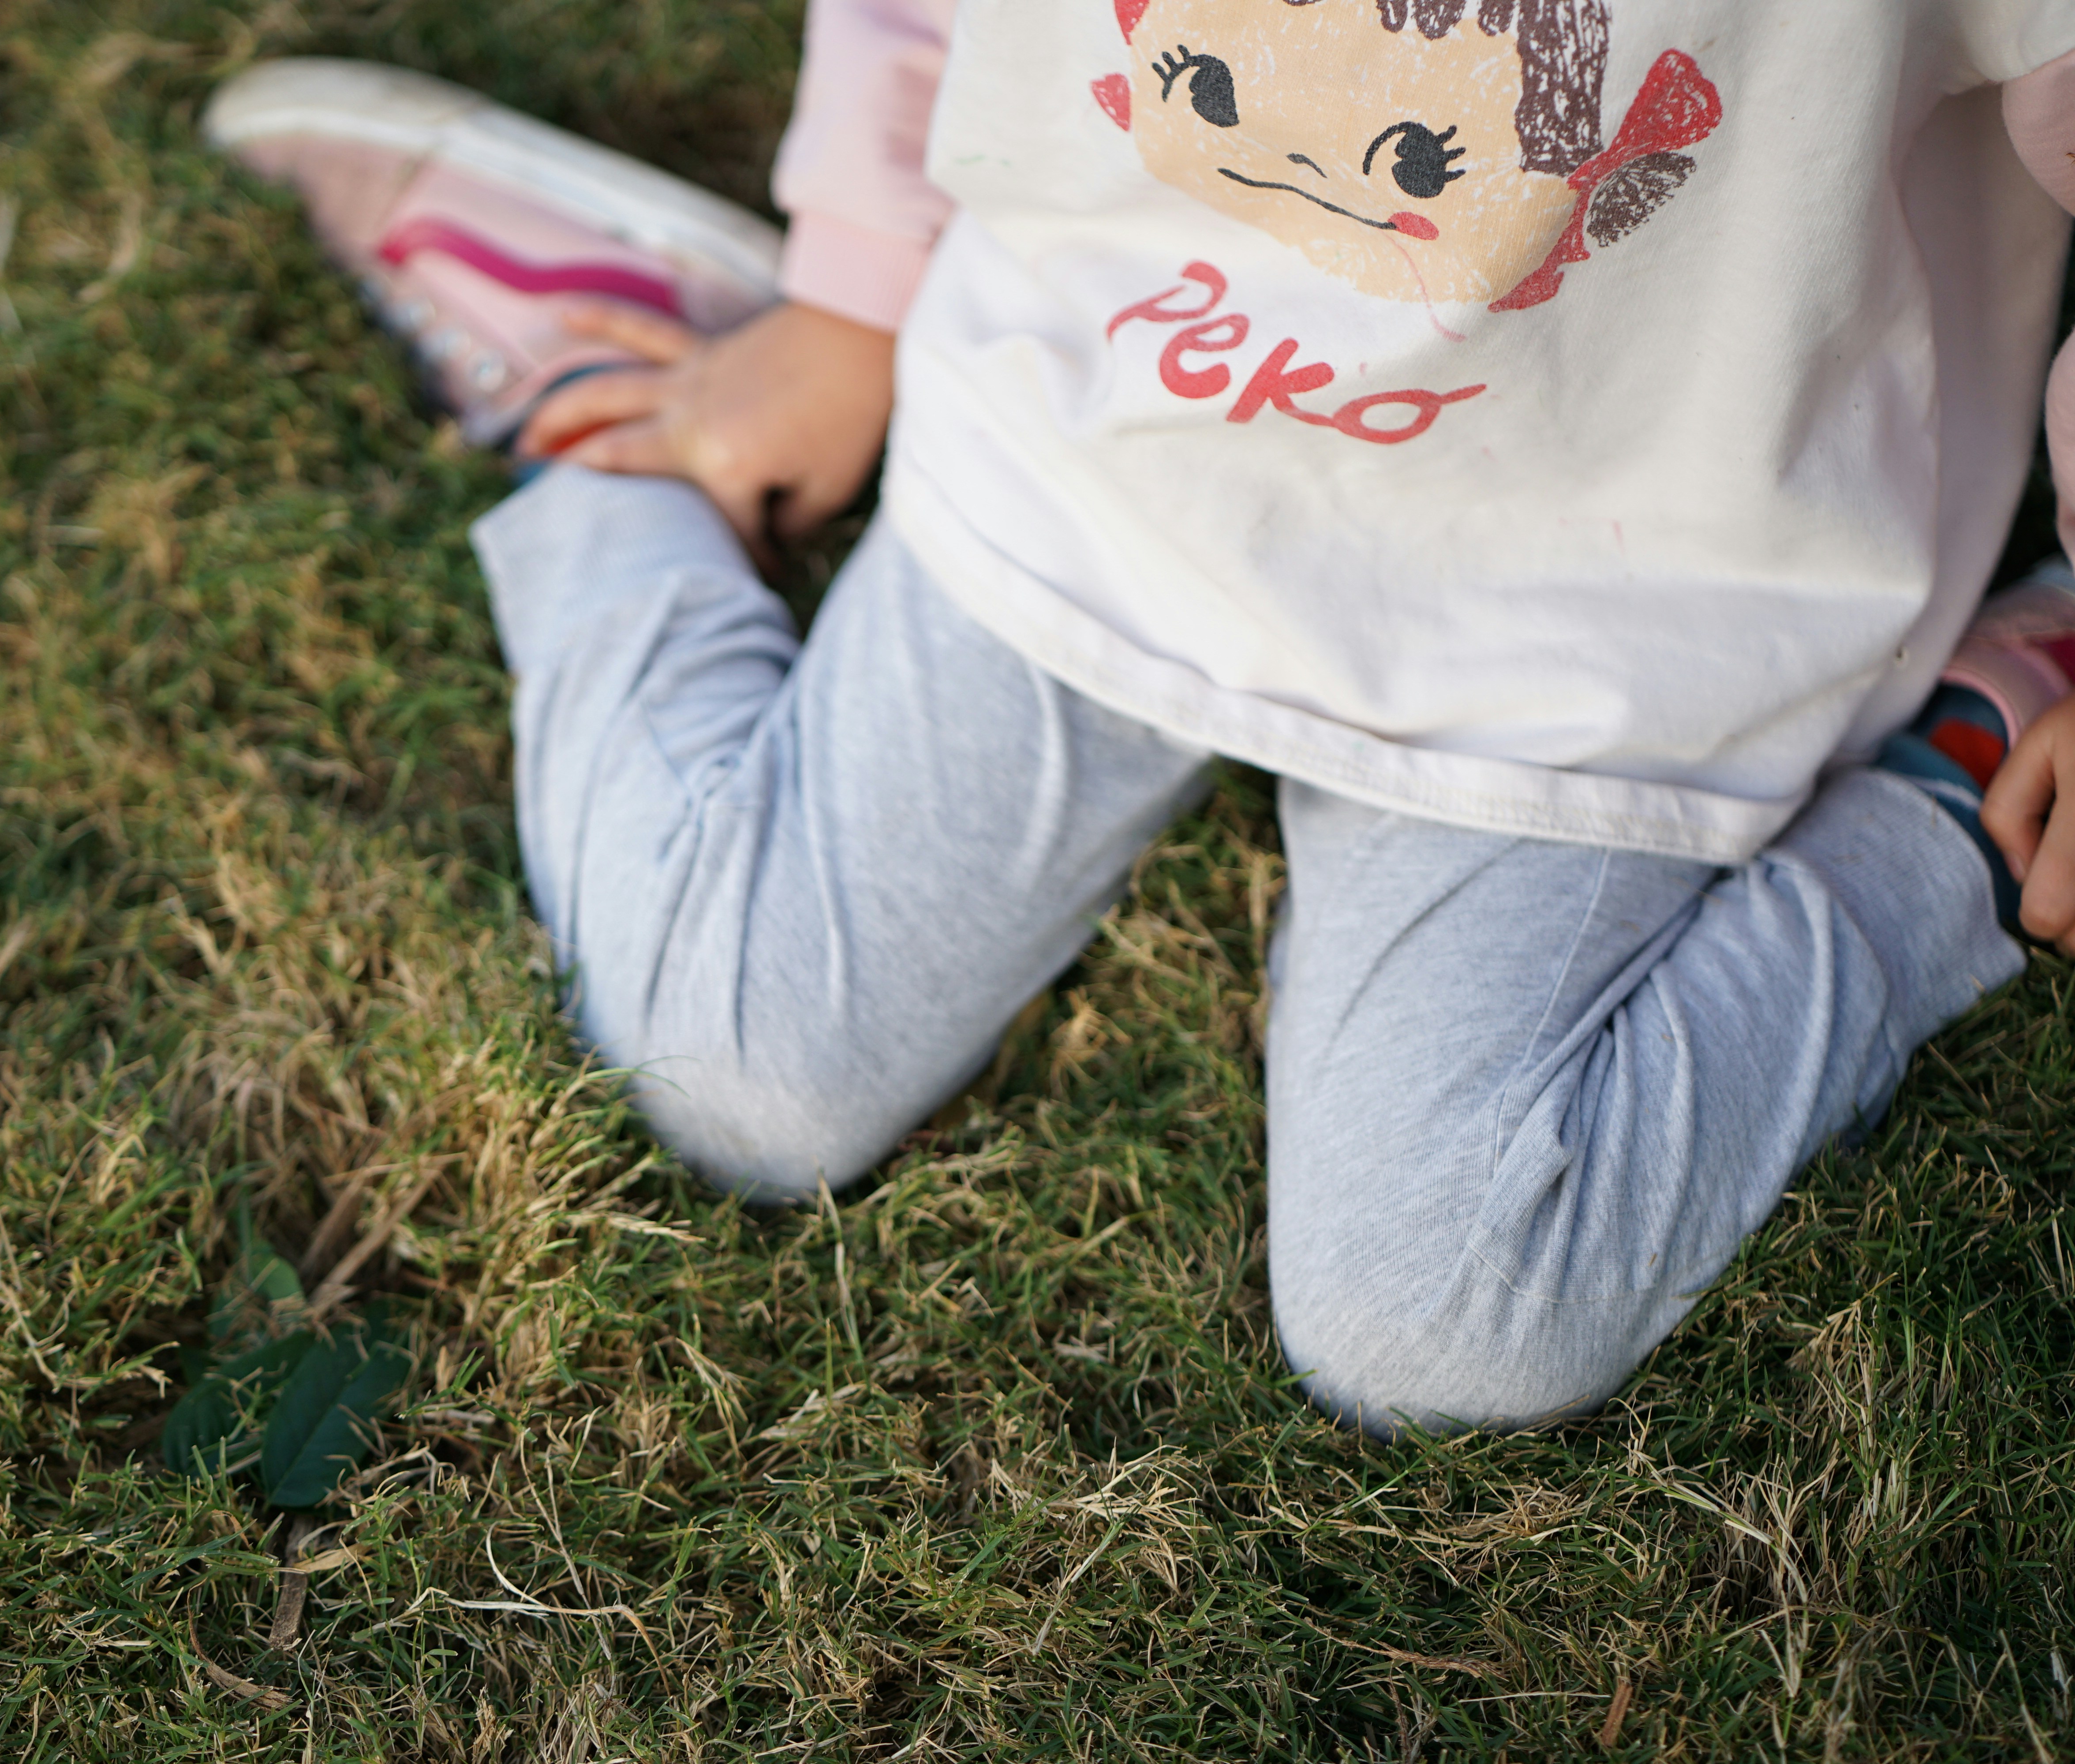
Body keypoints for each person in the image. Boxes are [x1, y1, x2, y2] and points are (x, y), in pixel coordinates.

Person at [203, 0, 2075, 1436]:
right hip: (1105, 421)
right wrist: (854, 299)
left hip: (1632, 565)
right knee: (732, 1063)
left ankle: (1963, 784)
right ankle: (610, 371)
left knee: (1440, 1312)